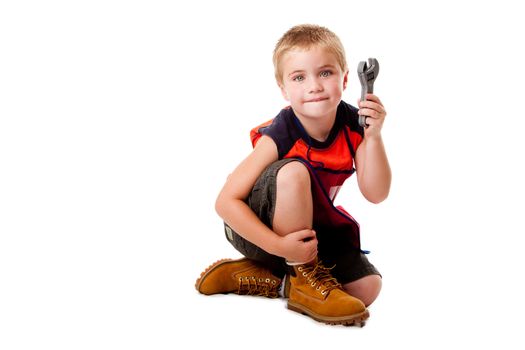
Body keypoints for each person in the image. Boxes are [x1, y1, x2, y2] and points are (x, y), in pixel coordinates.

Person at [195, 24, 391, 326]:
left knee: (366, 288)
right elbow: (225, 202)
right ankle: (299, 275)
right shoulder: (282, 131)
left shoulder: (355, 124)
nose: (314, 86)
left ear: (346, 78)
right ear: (284, 89)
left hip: (309, 234)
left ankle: (277, 280)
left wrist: (374, 137)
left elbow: (376, 193)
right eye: (299, 77)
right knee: (294, 171)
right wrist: (278, 247)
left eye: (325, 73)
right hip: (258, 233)